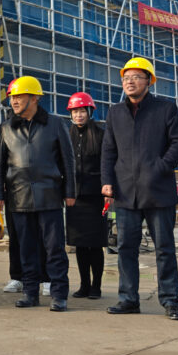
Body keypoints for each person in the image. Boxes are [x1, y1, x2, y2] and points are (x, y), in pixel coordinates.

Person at [101, 57, 178, 320]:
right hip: (125, 192)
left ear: (149, 81)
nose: (130, 81)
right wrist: (107, 181)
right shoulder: (115, 112)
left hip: (158, 191)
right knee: (126, 246)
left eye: (136, 77)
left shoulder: (165, 109)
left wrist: (160, 167)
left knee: (164, 247)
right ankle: (128, 299)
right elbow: (108, 150)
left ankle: (170, 300)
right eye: (126, 77)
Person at [0, 76, 75, 311]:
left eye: (19, 96)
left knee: (55, 248)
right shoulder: (6, 128)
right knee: (25, 248)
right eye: (12, 97)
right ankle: (30, 292)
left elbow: (68, 161)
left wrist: (70, 191)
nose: (14, 101)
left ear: (34, 98)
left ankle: (59, 294)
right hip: (18, 198)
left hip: (49, 196)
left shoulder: (56, 124)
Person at [67, 92, 108, 300]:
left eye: (82, 111)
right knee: (80, 244)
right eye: (75, 111)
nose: (79, 115)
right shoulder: (67, 136)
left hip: (95, 197)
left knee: (95, 243)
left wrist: (108, 190)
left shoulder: (101, 135)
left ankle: (96, 286)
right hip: (74, 198)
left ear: (89, 112)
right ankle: (83, 285)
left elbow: (107, 163)